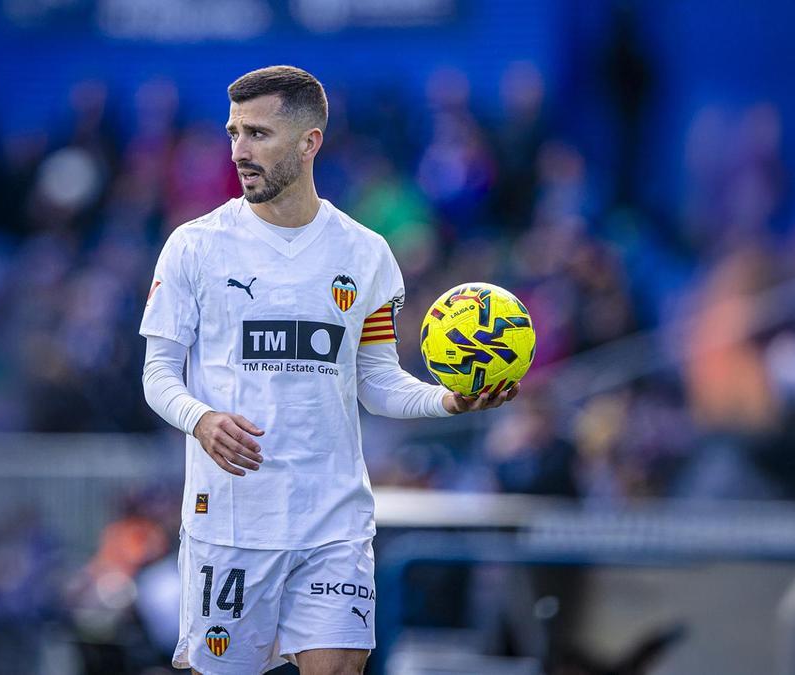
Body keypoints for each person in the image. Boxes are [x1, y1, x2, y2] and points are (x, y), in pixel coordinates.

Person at [140, 65, 519, 675]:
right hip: (234, 520)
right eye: (233, 132)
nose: (239, 151)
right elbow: (158, 374)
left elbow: (376, 380)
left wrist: (446, 402)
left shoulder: (364, 253)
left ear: (310, 142)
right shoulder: (194, 246)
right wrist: (201, 418)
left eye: (258, 134)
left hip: (332, 521)